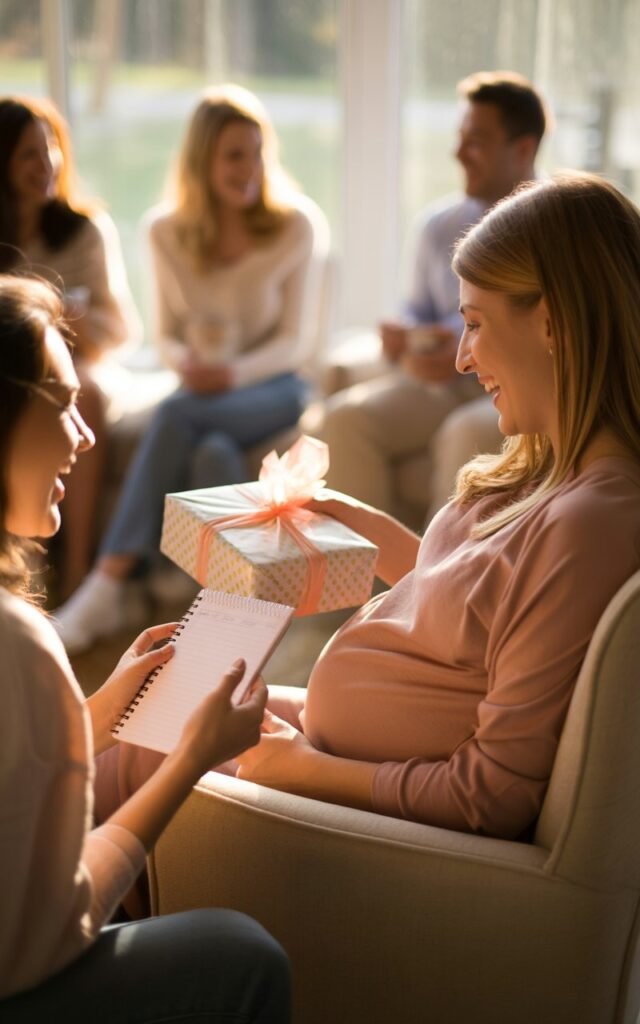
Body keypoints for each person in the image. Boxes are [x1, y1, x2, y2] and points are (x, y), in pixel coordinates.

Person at [232, 173, 640, 841]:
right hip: (340, 755)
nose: (460, 357)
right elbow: (475, 609)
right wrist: (350, 520)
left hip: (361, 808)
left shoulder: (591, 522)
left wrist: (302, 769)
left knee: (135, 747)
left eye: (474, 324)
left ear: (553, 323)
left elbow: (492, 794)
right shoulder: (553, 474)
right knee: (158, 699)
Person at [0, 276, 290, 1021]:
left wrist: (96, 712)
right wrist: (191, 760)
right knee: (243, 953)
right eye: (63, 406)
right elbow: (44, 936)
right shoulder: (18, 641)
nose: (86, 436)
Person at [53, 83, 329, 654]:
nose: (249, 168)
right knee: (213, 454)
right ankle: (209, 609)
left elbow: (295, 343)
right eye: (234, 154)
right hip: (204, 394)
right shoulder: (164, 231)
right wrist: (189, 364)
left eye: (257, 152)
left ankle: (109, 580)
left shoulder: (296, 224)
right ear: (202, 160)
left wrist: (228, 375)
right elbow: (168, 338)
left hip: (276, 388)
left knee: (177, 411)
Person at [317, 70, 546, 523]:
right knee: (345, 420)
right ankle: (361, 586)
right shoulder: (438, 225)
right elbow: (416, 308)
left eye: (476, 140)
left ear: (523, 149)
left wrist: (469, 344)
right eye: (460, 138)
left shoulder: (556, 228)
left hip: (515, 382)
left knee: (463, 434)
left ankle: (437, 587)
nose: (458, 153)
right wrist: (402, 335)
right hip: (443, 383)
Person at [0, 95, 141, 598]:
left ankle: (78, 570)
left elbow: (123, 329)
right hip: (15, 372)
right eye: (27, 155)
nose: (46, 166)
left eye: (51, 149)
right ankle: (17, 572)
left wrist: (72, 320)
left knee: (89, 397)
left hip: (84, 364)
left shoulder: (84, 229)